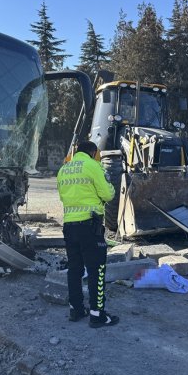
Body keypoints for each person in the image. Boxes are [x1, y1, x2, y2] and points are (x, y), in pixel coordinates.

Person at [56, 140, 118, 328]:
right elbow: (107, 194)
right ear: (93, 152)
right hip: (90, 227)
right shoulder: (93, 166)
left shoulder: (63, 170)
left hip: (69, 226)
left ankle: (76, 309)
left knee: (75, 269)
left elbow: (62, 197)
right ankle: (97, 315)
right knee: (96, 270)